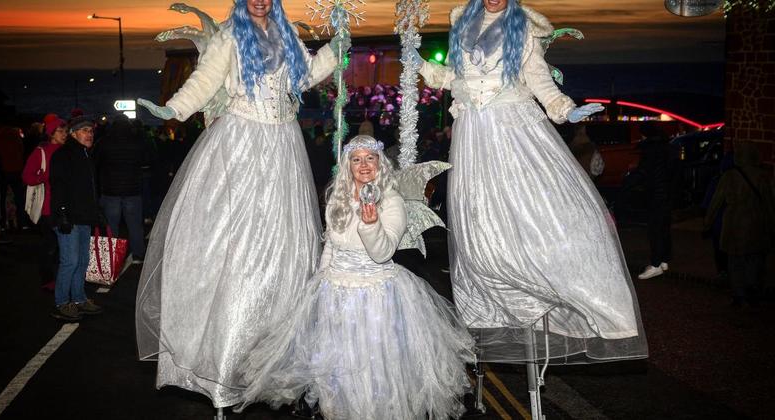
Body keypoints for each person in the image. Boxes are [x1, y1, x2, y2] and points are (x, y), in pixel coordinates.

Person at [134, 0, 349, 409]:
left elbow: (305, 78)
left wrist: (336, 47)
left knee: (282, 246)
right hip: (241, 142)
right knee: (234, 243)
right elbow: (205, 81)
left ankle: (272, 355)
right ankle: (222, 356)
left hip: (283, 145)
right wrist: (174, 109)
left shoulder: (287, 36)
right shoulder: (231, 38)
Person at [416, 0, 647, 362]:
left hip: (512, 128)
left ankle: (569, 290)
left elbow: (538, 77)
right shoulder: (461, 24)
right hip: (472, 135)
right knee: (479, 221)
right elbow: (455, 78)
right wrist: (422, 67)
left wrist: (565, 109)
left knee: (533, 208)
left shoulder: (523, 29)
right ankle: (497, 302)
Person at [236, 135, 475, 419]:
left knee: (373, 372)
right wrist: (319, 287)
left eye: (370, 158)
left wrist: (371, 223)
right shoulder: (337, 199)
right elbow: (331, 247)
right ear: (348, 165)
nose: (363, 165)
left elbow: (383, 252)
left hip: (376, 297)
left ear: (380, 163)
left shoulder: (391, 200)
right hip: (335, 295)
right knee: (335, 373)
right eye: (356, 159)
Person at [705, 142, 775, 307]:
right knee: (755, 259)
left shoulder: (729, 176)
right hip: (757, 223)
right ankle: (752, 291)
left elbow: (716, 202)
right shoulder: (763, 176)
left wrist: (708, 221)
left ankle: (739, 296)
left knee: (735, 262)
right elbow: (769, 204)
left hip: (734, 224)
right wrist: (772, 225)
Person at [49, 116, 103, 322]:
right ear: (73, 133)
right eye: (84, 130)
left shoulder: (85, 154)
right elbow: (59, 185)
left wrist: (96, 210)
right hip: (68, 217)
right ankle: (62, 302)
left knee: (82, 260)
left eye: (91, 131)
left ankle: (79, 299)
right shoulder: (63, 155)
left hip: (83, 216)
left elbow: (88, 188)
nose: (89, 134)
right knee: (70, 261)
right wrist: (62, 213)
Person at [92, 115, 150, 263]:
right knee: (135, 225)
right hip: (132, 190)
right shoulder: (137, 141)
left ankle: (112, 258)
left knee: (112, 226)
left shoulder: (104, 142)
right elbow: (147, 160)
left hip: (110, 190)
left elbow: (94, 163)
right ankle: (138, 254)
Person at [22, 116, 67, 290]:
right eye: (61, 131)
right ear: (51, 133)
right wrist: (45, 176)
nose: (65, 134)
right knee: (50, 245)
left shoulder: (67, 150)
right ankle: (48, 279)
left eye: (66, 131)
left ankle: (62, 278)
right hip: (48, 206)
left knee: (62, 246)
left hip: (65, 206)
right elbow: (27, 176)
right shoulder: (41, 151)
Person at [631, 122, 678, 280]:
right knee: (664, 227)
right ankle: (664, 260)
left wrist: (628, 183)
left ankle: (656, 264)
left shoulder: (650, 150)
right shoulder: (668, 148)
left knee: (655, 230)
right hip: (667, 194)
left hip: (655, 195)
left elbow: (643, 172)